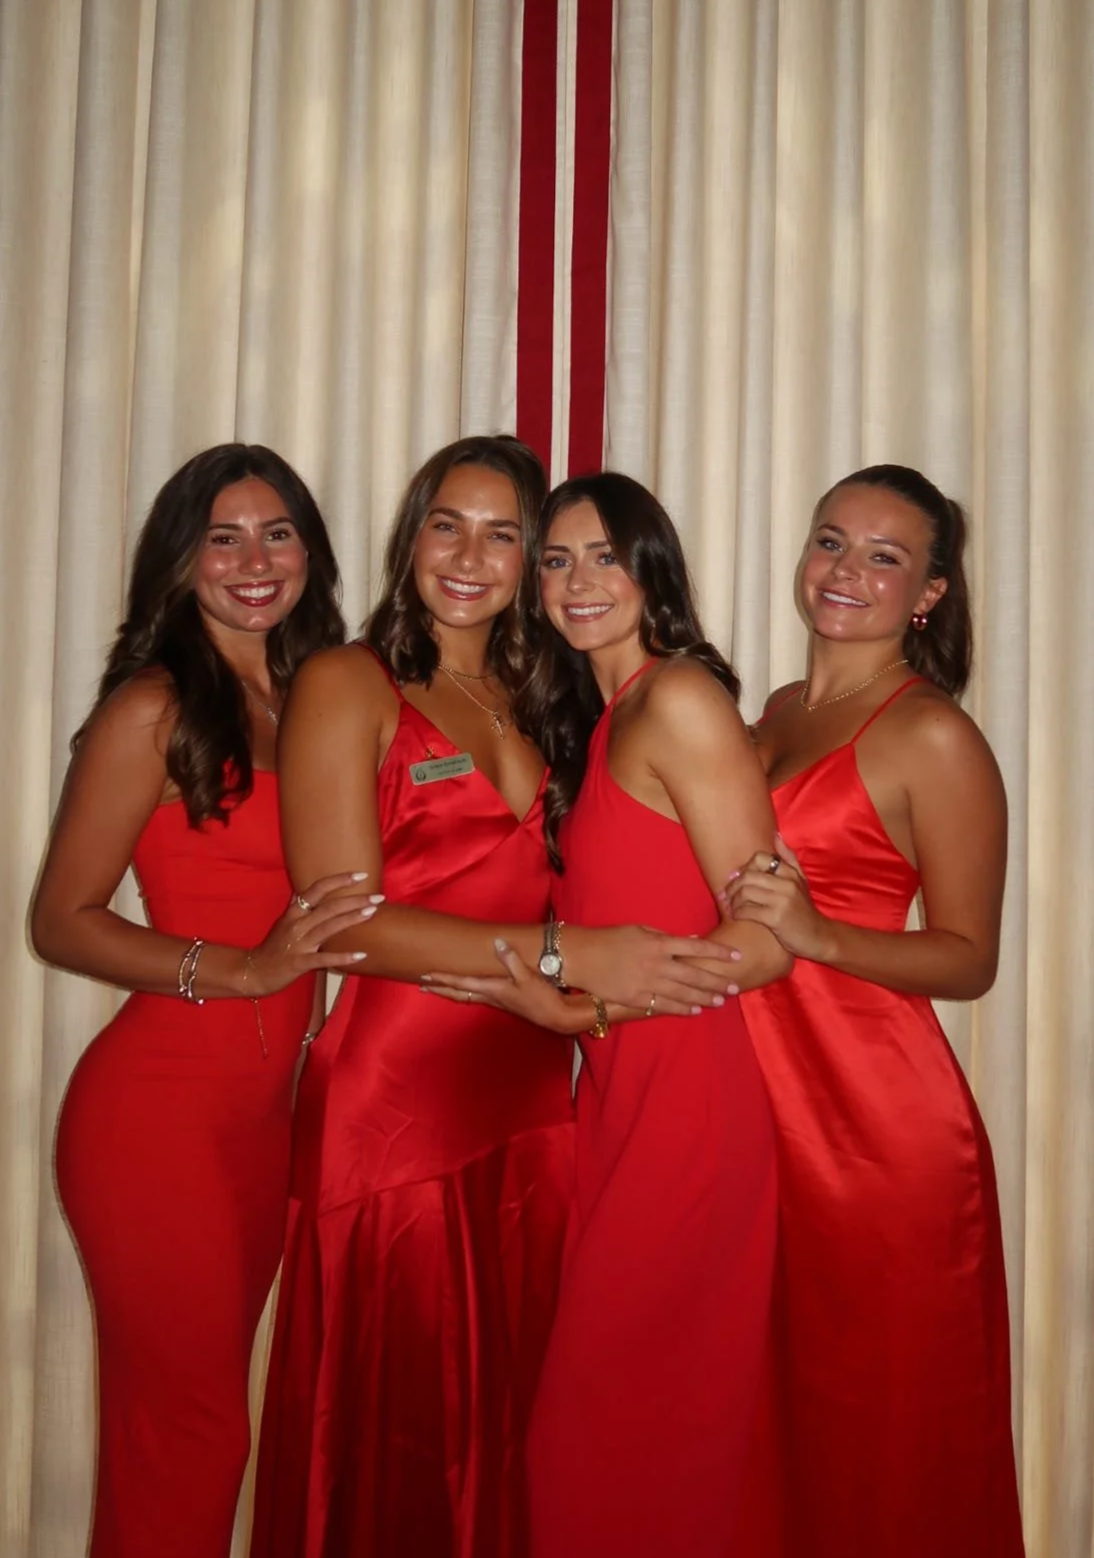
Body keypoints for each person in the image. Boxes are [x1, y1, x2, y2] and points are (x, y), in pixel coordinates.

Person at [250, 441, 743, 1558]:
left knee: (519, 1425)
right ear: (408, 536)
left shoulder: (543, 689)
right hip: (399, 1105)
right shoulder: (346, 679)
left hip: (535, 1092)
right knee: (396, 1434)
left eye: (503, 533)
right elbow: (347, 922)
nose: (471, 555)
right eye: (446, 524)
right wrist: (569, 951)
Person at [422, 472, 791, 1558]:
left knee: (608, 1435)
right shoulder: (595, 722)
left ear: (653, 571)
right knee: (624, 1435)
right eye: (557, 558)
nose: (580, 580)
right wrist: (575, 1009)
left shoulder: (678, 698)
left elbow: (770, 930)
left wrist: (595, 1002)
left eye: (606, 556)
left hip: (692, 1114)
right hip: (620, 1105)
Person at [32, 444, 374, 1558]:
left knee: (208, 1422)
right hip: (158, 1118)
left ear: (310, 553)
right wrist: (241, 967)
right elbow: (62, 915)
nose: (252, 559)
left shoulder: (323, 694)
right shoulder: (155, 704)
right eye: (221, 536)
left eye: (277, 532)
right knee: (188, 1431)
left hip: (267, 1121)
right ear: (179, 562)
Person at [722, 464, 1025, 1557]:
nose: (846, 572)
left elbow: (971, 956)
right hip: (760, 1112)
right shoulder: (774, 711)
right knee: (775, 1418)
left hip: (876, 1128)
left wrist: (820, 934)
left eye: (883, 556)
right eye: (830, 541)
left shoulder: (931, 733)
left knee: (884, 1431)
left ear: (929, 592)